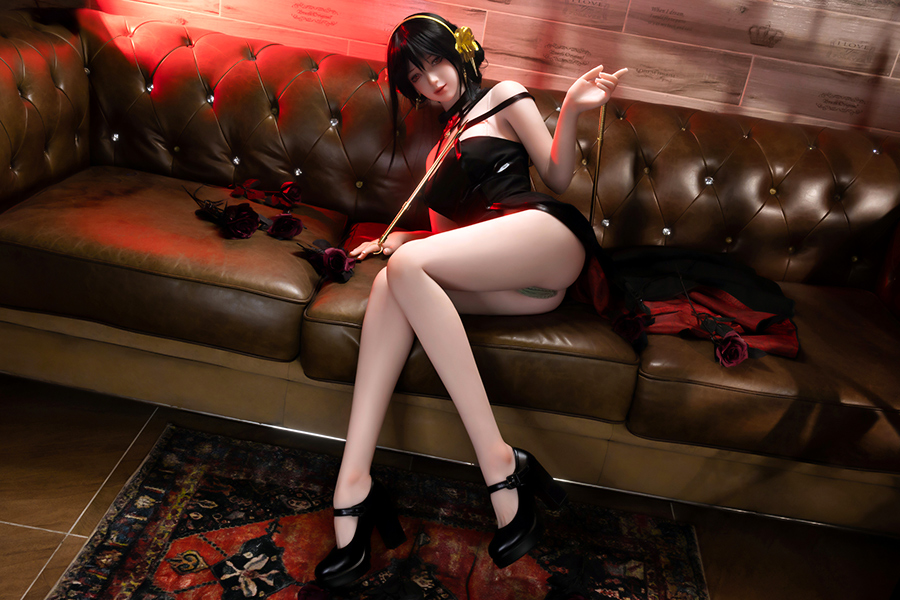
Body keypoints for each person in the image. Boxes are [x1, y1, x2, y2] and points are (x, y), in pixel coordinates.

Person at [313, 12, 627, 589]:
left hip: (546, 239)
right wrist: (396, 241)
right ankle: (353, 484)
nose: (431, 80)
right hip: (524, 291)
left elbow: (558, 177)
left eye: (436, 62)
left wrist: (573, 107)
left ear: (461, 53)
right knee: (391, 282)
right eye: (416, 76)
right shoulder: (437, 148)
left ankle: (499, 465)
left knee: (406, 269)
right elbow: (450, 245)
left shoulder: (505, 96)